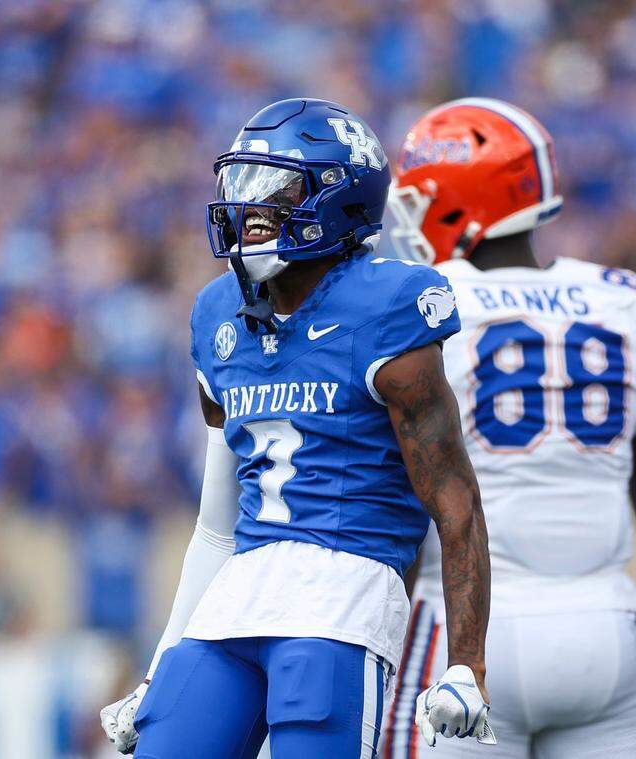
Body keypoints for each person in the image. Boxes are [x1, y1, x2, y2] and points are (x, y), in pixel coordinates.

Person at [100, 98, 493, 758]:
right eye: (240, 184)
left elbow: (455, 504)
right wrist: (159, 666)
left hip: (342, 598)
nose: (245, 207)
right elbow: (216, 526)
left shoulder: (386, 307)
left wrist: (466, 664)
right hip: (237, 599)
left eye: (270, 187)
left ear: (338, 199)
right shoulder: (220, 316)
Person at [381, 98, 636, 759]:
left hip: (461, 638)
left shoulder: (415, 304)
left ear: (459, 201)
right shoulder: (630, 302)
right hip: (605, 635)